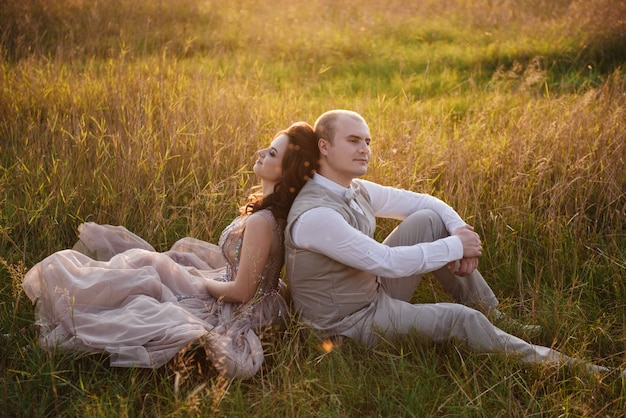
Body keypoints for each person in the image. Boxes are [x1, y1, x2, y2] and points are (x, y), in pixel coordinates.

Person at [285, 109, 618, 377]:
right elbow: (387, 262)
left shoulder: (355, 189)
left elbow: (425, 203)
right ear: (324, 147)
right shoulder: (317, 215)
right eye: (354, 140)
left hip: (368, 294)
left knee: (431, 221)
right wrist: (457, 248)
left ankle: (493, 315)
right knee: (460, 319)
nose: (365, 149)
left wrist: (459, 232)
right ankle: (582, 371)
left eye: (368, 141)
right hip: (345, 327)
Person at [22, 121, 319, 379]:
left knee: (150, 290)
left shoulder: (261, 222)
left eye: (272, 154)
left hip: (244, 304)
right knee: (154, 266)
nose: (260, 154)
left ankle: (77, 301)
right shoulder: (273, 214)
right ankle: (88, 295)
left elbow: (242, 291)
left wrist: (202, 283)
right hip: (257, 295)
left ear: (286, 170)